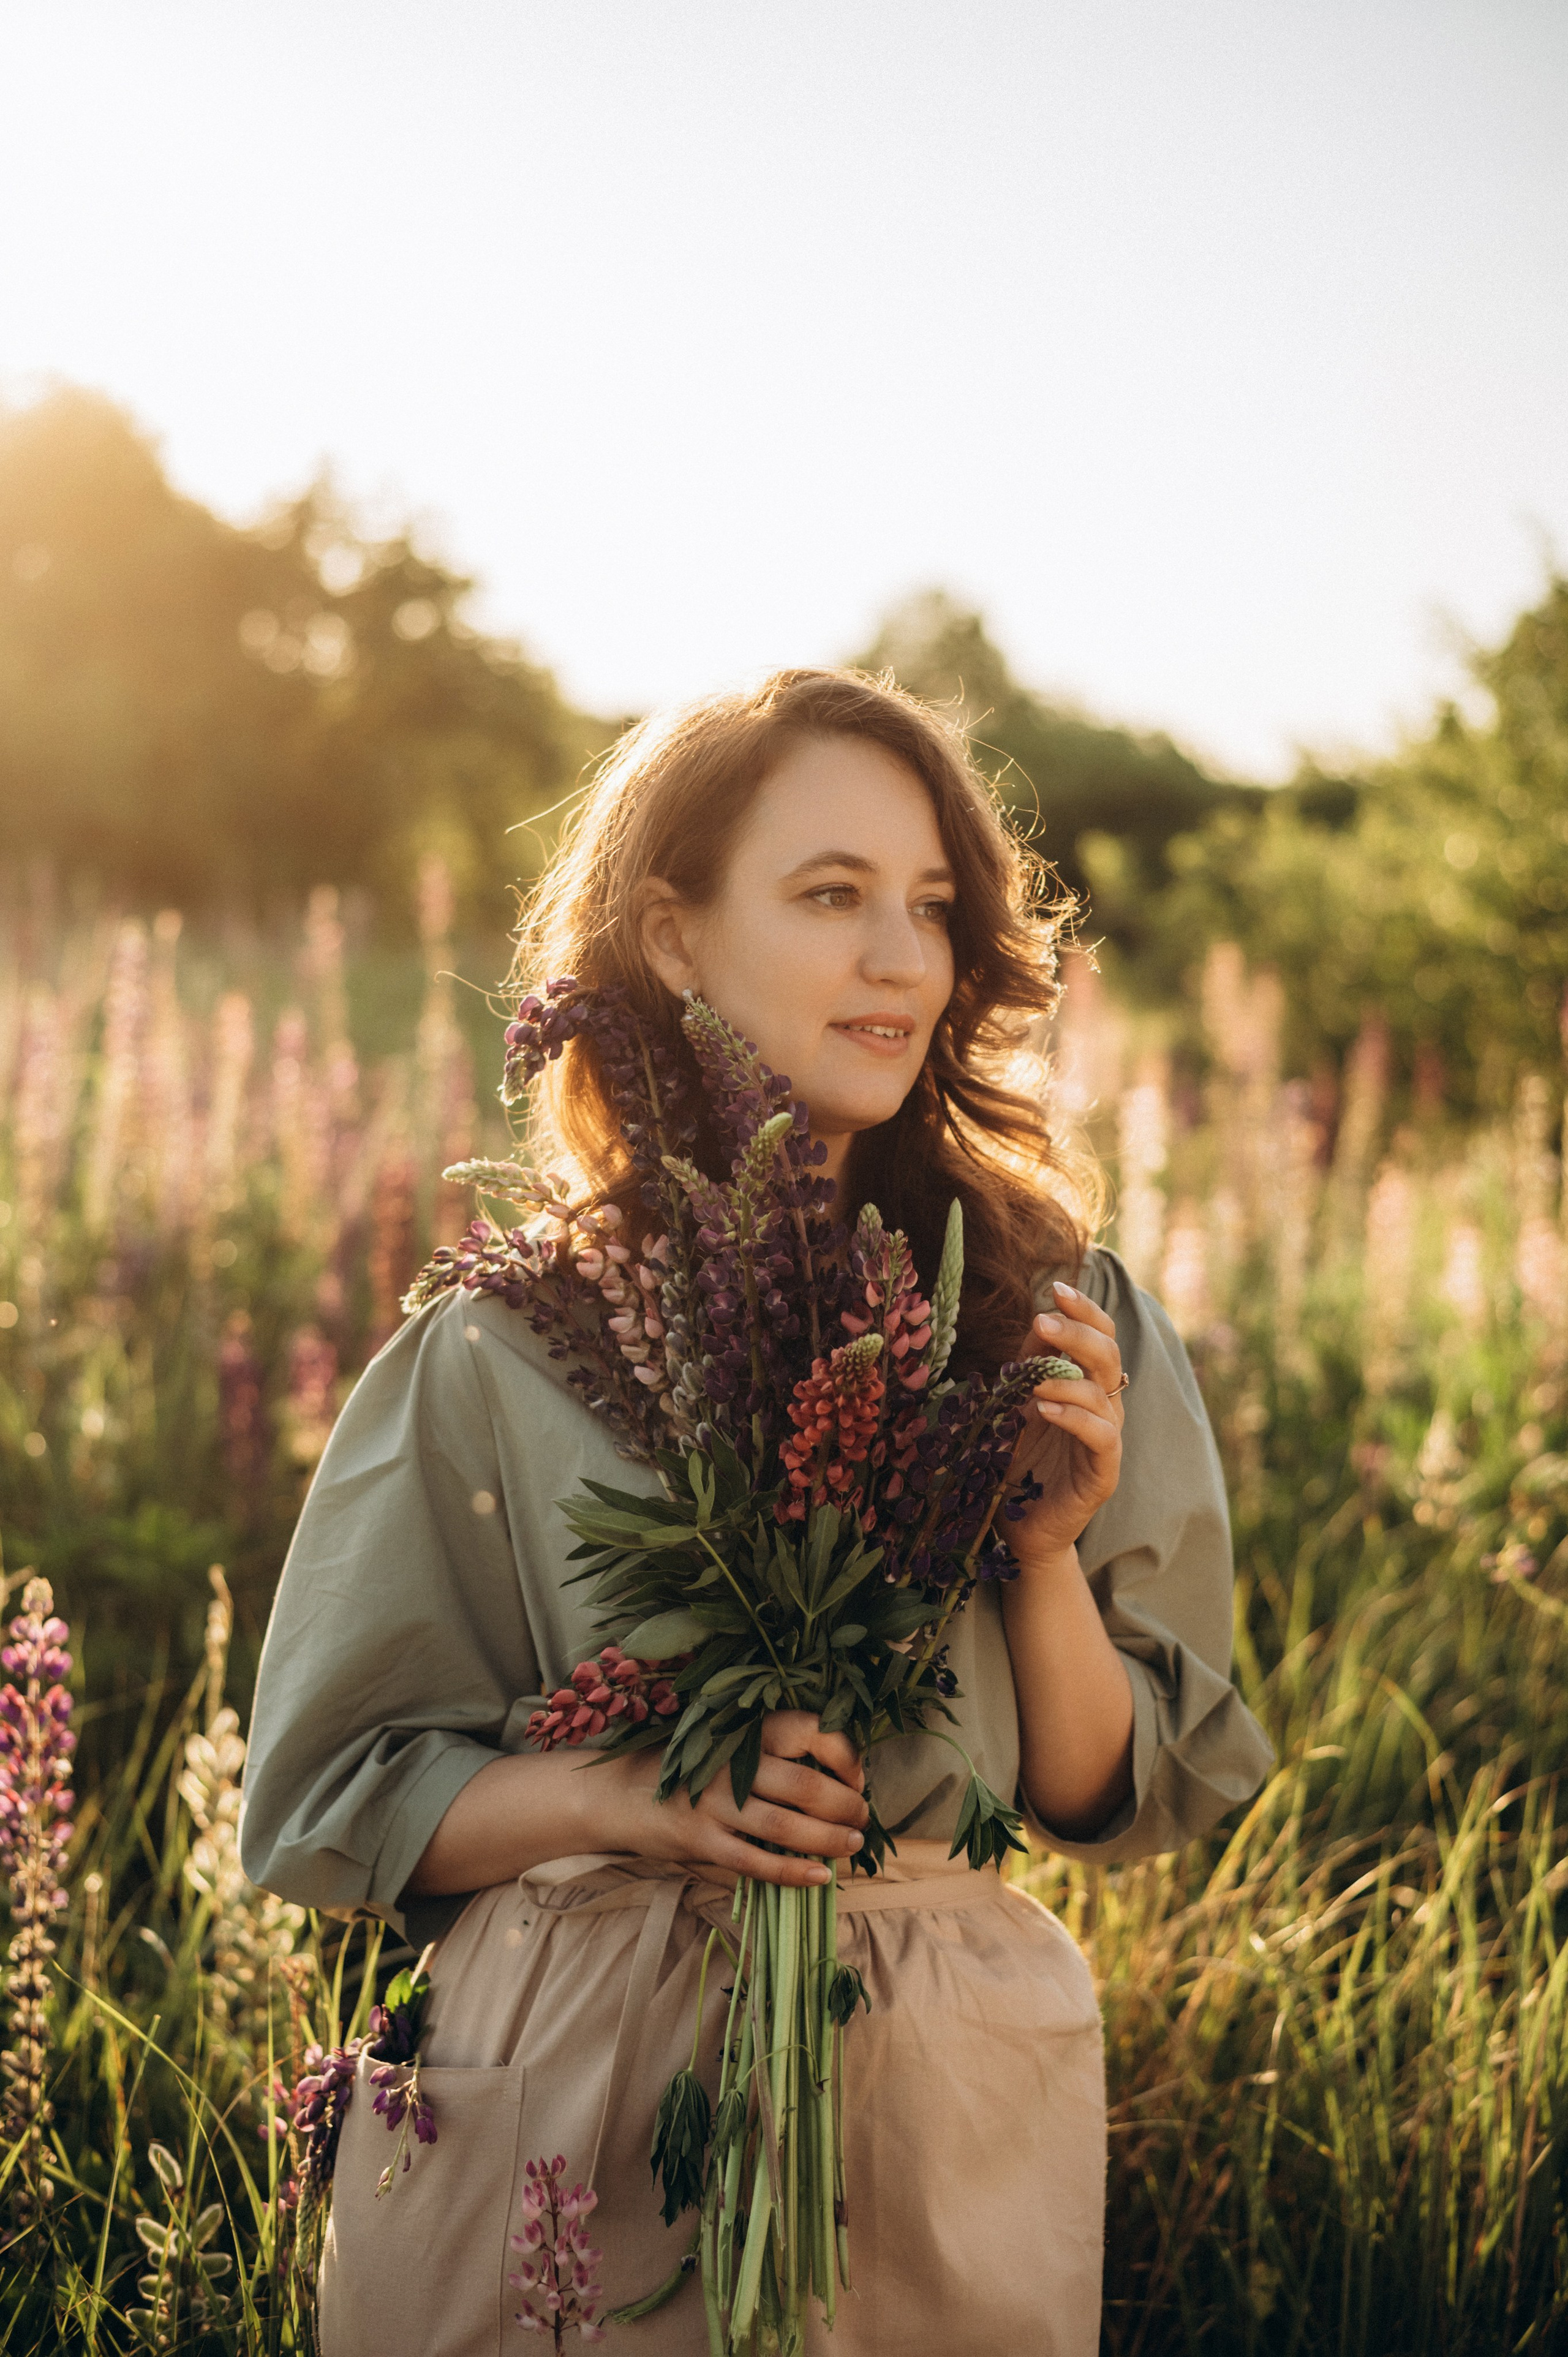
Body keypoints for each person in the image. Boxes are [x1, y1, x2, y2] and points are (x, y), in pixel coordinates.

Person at [239, 668, 1272, 2356]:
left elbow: (1113, 1793)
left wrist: (1039, 1551)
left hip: (938, 2083)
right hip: (578, 2095)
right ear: (669, 935)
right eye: (831, 895)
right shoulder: (506, 1341)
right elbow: (327, 1796)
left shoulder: (1049, 1309)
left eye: (934, 908)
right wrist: (637, 1795)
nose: (901, 960)